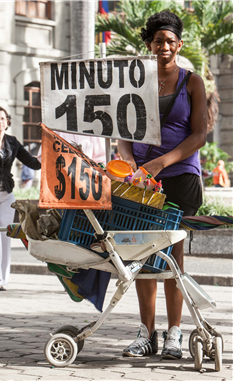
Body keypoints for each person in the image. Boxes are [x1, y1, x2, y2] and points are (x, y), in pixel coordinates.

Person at [118, 10, 207, 359]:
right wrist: (128, 162)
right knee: (142, 254)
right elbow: (123, 134)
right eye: (158, 41)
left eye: (170, 41)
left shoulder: (192, 82)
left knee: (172, 255)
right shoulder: (134, 84)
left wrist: (159, 162)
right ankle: (146, 333)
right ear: (148, 44)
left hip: (181, 178)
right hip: (140, 183)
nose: (164, 46)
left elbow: (199, 135)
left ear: (179, 44)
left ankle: (174, 334)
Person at [0, 106, 41, 291]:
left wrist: (48, 156)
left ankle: (3, 278)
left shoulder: (12, 142)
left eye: (3, 119)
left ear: (8, 122)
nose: (0, 122)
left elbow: (31, 162)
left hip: (6, 195)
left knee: (6, 235)